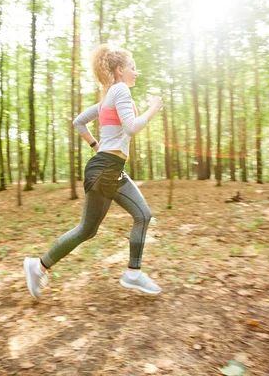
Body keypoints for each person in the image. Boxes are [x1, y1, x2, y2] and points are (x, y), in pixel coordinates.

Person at [24, 44, 164, 298]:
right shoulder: (119, 90)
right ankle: (38, 265)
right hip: (105, 170)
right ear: (120, 70)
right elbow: (131, 127)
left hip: (110, 169)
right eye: (133, 67)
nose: (136, 72)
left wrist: (95, 145)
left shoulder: (107, 98)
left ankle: (132, 273)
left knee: (137, 216)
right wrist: (154, 108)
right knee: (89, 229)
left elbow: (79, 122)